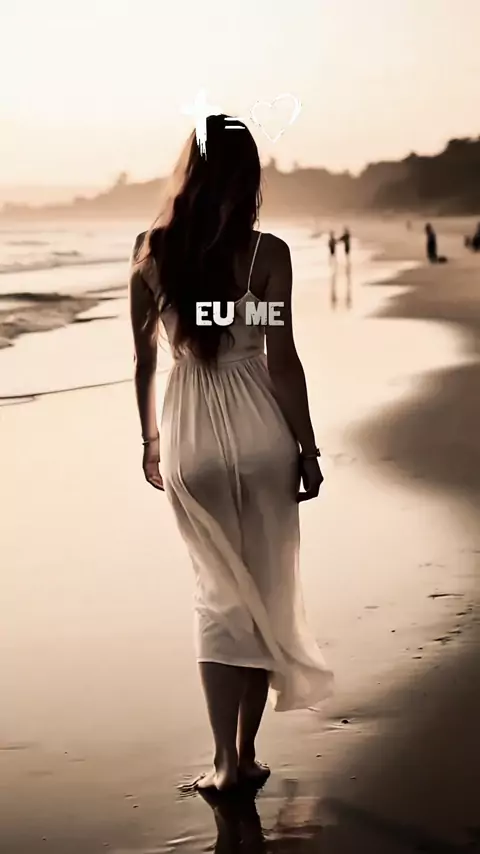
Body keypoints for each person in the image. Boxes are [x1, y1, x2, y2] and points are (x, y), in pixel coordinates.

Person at [129, 114, 334, 793]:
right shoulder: (266, 255)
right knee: (263, 588)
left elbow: (144, 364)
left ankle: (224, 762)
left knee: (217, 596)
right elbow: (282, 362)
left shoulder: (150, 252)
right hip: (260, 432)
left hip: (190, 436)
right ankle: (245, 752)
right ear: (247, 179)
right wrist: (307, 448)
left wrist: (151, 444)